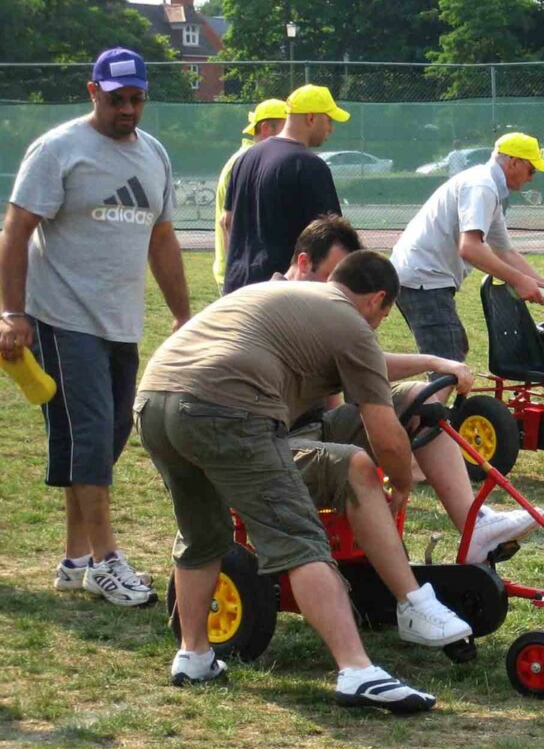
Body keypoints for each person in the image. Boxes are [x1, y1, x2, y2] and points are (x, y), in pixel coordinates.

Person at [136, 252, 466, 712]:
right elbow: (385, 434)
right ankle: (356, 670)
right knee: (299, 538)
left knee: (202, 532)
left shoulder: (292, 299)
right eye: (384, 315)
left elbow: (364, 366)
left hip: (155, 399)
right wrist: (403, 483)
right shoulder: (351, 322)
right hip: (228, 406)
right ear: (377, 301)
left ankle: (193, 654)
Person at [0, 46, 191, 607]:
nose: (127, 109)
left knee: (104, 441)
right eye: (116, 99)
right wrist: (12, 313)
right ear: (93, 92)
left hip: (120, 323)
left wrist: (182, 314)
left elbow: (162, 238)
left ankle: (75, 558)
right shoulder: (59, 149)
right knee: (88, 434)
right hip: (60, 317)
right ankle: (107, 561)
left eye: (136, 99)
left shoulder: (154, 155)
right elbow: (15, 231)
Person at [281, 215, 539, 565]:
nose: (340, 290)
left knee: (422, 397)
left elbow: (366, 363)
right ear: (302, 263)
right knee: (368, 445)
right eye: (334, 277)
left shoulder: (323, 312)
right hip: (281, 441)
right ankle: (405, 589)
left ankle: (474, 524)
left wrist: (435, 362)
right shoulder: (279, 305)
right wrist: (400, 476)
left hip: (318, 428)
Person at [391, 132, 544, 367]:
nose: (532, 178)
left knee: (454, 350)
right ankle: (411, 401)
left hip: (422, 277)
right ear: (513, 162)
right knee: (448, 364)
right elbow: (470, 248)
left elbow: (505, 252)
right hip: (423, 279)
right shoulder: (482, 186)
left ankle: (415, 400)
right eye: (531, 170)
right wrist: (519, 281)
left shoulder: (488, 186)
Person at [221, 84, 346, 293]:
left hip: (237, 288)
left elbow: (227, 221)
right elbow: (332, 238)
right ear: (311, 118)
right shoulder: (309, 165)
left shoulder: (245, 158)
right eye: (329, 120)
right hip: (279, 296)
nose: (331, 129)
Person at [212, 98, 287, 288]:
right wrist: (236, 276)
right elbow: (227, 222)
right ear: (266, 128)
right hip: (241, 279)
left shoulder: (254, 160)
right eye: (286, 127)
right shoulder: (247, 162)